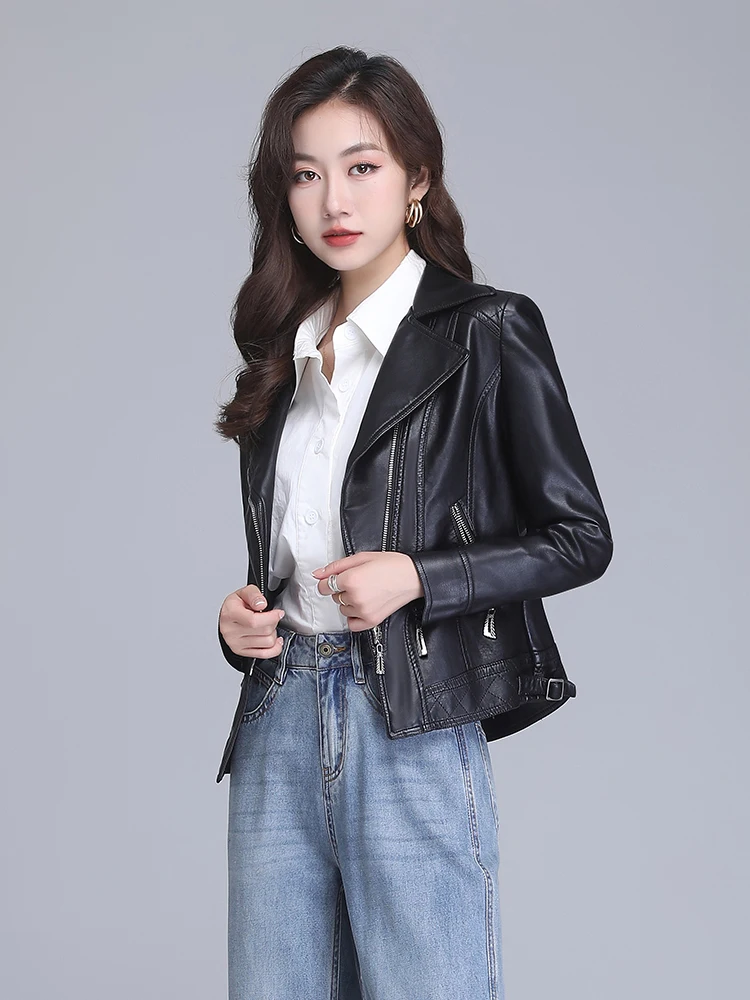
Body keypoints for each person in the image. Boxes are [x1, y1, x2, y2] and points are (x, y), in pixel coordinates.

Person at [214, 46, 613, 1000]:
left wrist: (419, 577)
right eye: (306, 175)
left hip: (411, 715)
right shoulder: (283, 353)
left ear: (417, 180)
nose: (334, 201)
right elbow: (292, 553)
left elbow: (579, 535)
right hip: (278, 715)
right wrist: (243, 624)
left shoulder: (486, 330)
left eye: (363, 167)